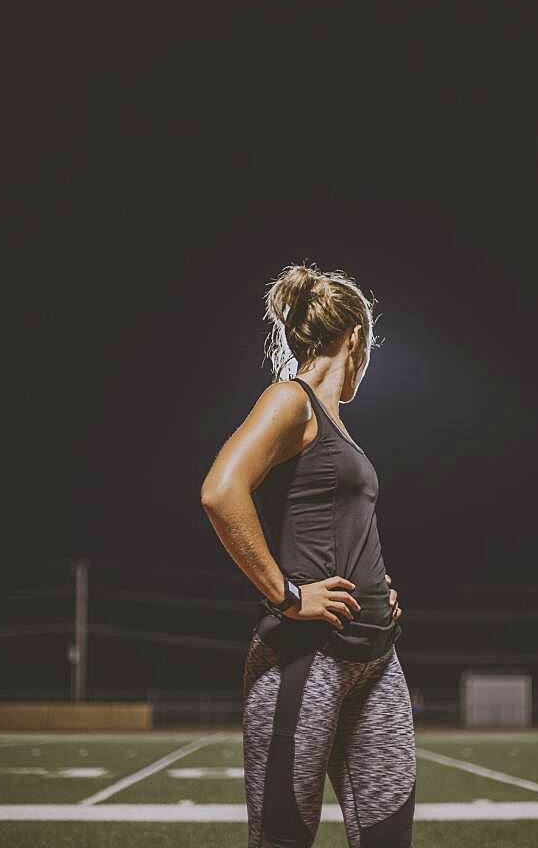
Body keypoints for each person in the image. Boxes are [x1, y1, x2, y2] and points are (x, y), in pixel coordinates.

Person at [201, 261, 417, 848]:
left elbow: (338, 524)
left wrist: (378, 585)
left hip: (375, 658)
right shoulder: (290, 401)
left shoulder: (340, 429)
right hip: (306, 658)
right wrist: (287, 595)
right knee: (282, 841)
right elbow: (221, 491)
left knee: (387, 838)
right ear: (355, 338)